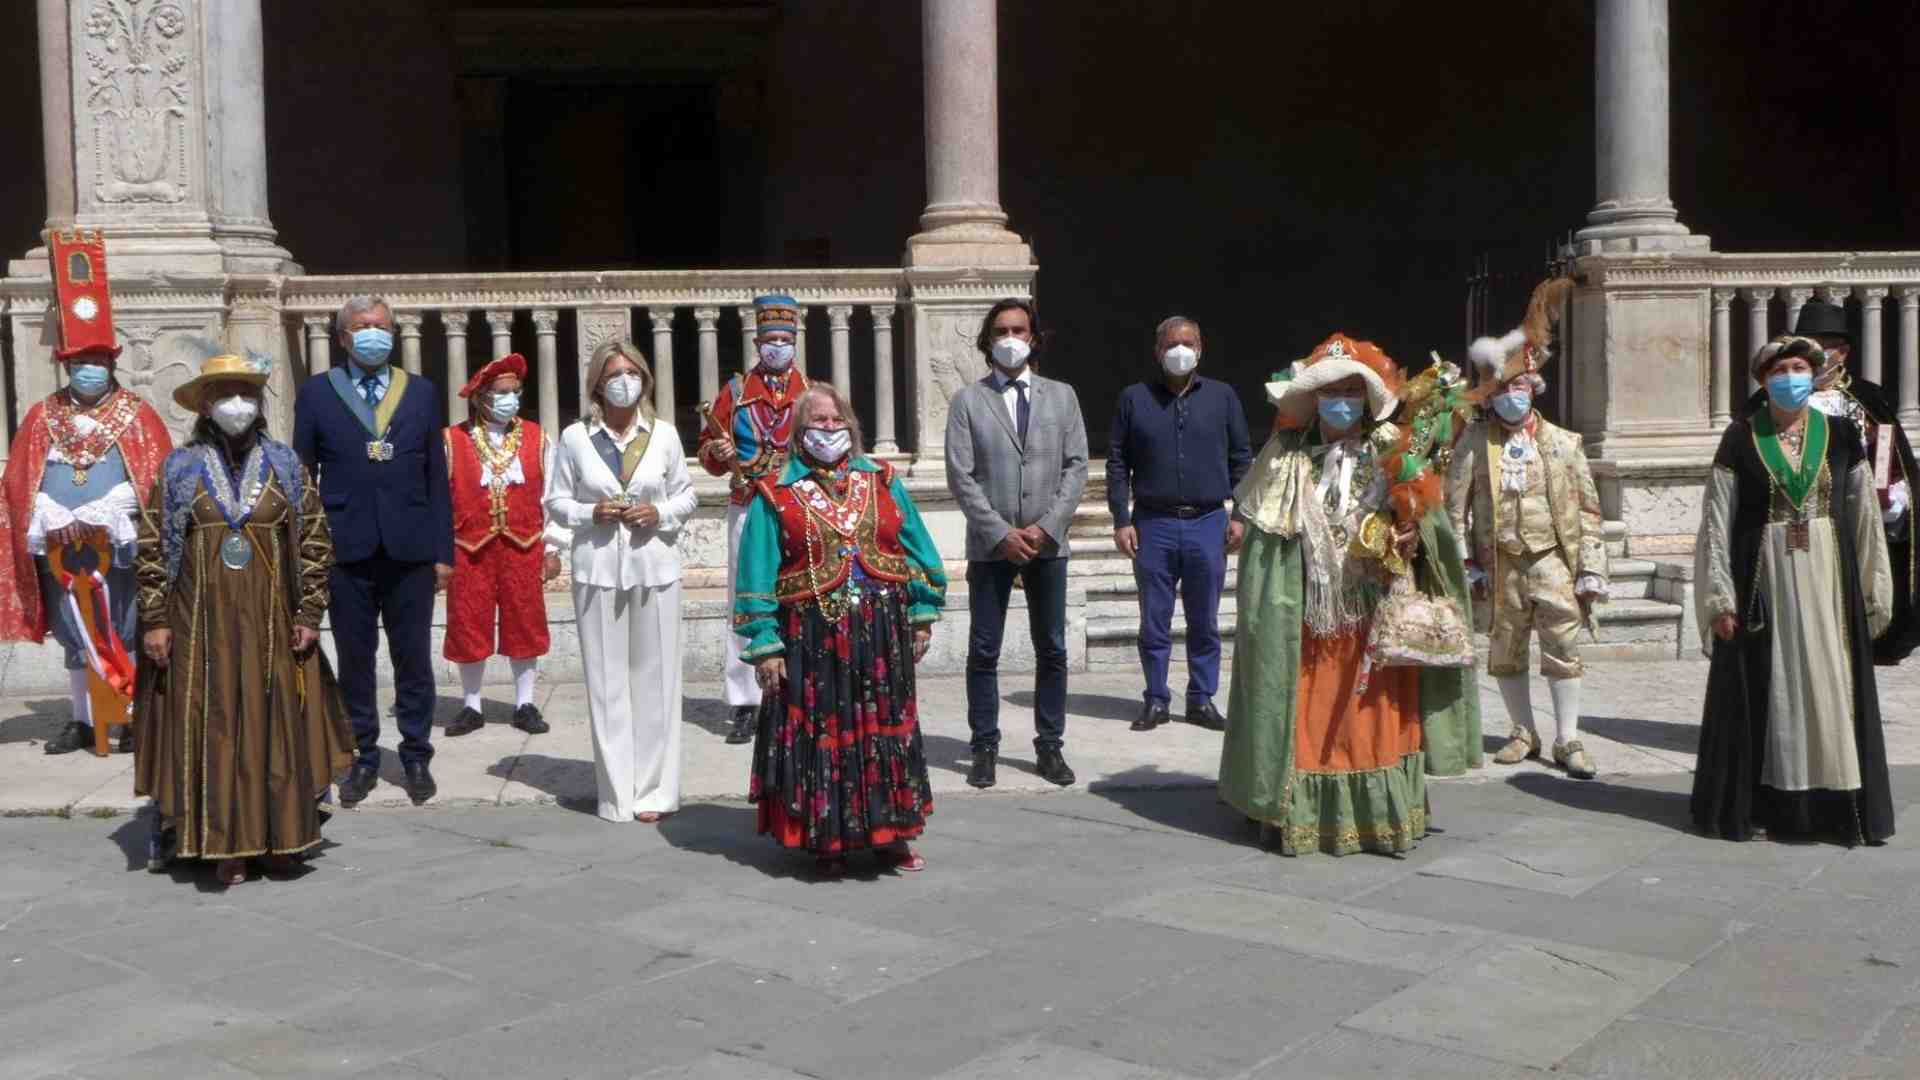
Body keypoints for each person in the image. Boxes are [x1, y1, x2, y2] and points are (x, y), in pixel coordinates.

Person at [1218, 334, 1480, 855]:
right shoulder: (1284, 454)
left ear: (1366, 396)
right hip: (1306, 617)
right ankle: (1296, 810)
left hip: (1372, 616)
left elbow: (1433, 526)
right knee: (1307, 716)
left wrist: (1410, 534)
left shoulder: (1395, 449)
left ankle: (1376, 815)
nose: (1341, 401)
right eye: (1330, 391)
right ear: (1312, 398)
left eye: (1350, 390)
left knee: (1372, 719)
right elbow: (1261, 540)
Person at [134, 345, 353, 886]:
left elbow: (316, 542)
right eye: (225, 394)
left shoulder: (286, 465)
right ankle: (221, 845)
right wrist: (156, 618)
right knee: (215, 727)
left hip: (274, 624)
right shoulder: (180, 468)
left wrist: (310, 610)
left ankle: (280, 839)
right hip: (198, 625)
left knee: (274, 724)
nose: (237, 403)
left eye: (246, 393)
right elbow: (152, 545)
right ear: (204, 405)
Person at [736, 383, 945, 875]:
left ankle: (891, 835)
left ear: (851, 424)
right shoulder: (776, 492)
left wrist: (921, 611)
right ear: (799, 430)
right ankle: (826, 838)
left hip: (881, 635)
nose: (828, 429)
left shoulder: (882, 479)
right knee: (823, 731)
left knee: (884, 730)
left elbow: (914, 544)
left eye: (836, 420)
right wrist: (765, 643)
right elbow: (757, 569)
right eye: (817, 421)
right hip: (812, 637)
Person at [1693, 335, 1895, 845]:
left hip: (1828, 575)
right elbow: (1717, 522)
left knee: (1830, 682)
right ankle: (1769, 807)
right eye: (1781, 368)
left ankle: (1834, 808)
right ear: (1764, 380)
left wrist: (1873, 587)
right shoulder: (1740, 439)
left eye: (1800, 366)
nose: (1791, 376)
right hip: (1765, 576)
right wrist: (1720, 597)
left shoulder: (1842, 433)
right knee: (1770, 685)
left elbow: (1863, 513)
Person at [293, 295, 453, 807]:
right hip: (346, 548)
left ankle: (415, 754)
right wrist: (307, 550)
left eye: (382, 326)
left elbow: (436, 477)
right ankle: (362, 755)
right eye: (362, 327)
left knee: (414, 660)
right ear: (343, 338)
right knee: (356, 660)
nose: (373, 334)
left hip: (409, 548)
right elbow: (302, 476)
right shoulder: (318, 393)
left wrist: (443, 551)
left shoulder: (422, 392)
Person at [1449, 278, 1609, 780]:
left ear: (1533, 389)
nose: (1513, 397)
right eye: (1504, 390)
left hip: (1551, 560)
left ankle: (1567, 736)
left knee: (1563, 646)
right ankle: (1523, 730)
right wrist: (1464, 560)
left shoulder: (1564, 443)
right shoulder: (1474, 442)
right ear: (1492, 396)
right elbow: (1454, 509)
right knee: (1505, 648)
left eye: (1520, 387)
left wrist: (1591, 569)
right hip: (1499, 562)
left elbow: (1588, 510)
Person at [0, 330, 170, 755]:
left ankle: (132, 716)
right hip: (60, 544)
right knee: (73, 629)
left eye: (97, 361)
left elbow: (158, 475)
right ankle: (81, 719)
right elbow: (20, 476)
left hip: (117, 541)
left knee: (124, 626)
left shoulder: (137, 414)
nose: (88, 370)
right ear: (66, 367)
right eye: (79, 363)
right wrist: (51, 513)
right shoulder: (43, 415)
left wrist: (110, 507)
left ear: (112, 365)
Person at [548, 341, 696, 823]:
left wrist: (661, 512)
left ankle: (655, 789)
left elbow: (686, 495)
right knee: (607, 682)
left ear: (645, 381)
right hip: (597, 567)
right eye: (614, 373)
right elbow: (555, 501)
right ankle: (616, 792)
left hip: (654, 565)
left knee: (655, 681)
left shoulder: (665, 435)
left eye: (632, 372)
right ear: (597, 383)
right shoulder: (574, 438)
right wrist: (591, 512)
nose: (624, 381)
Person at [945, 298, 1088, 790]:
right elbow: (961, 476)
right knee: (984, 648)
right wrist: (999, 532)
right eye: (1002, 330)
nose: (1011, 337)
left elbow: (1076, 467)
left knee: (1052, 648)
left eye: (1019, 329)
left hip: (1048, 544)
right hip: (992, 546)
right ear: (989, 340)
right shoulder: (968, 401)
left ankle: (1050, 746)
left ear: (1033, 337)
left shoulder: (1062, 396)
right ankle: (984, 744)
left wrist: (1048, 526)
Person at [1740, 300, 1916, 666]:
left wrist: (1888, 495)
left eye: (1827, 344)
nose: (1819, 352)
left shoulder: (1867, 398)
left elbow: (1886, 453)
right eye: (1811, 342)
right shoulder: (1767, 400)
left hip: (1851, 517)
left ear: (1844, 351)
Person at [1106, 316, 1252, 732]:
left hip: (1208, 520)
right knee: (1154, 618)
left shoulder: (1223, 397)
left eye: (1188, 342)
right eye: (1171, 344)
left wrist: (1240, 514)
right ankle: (1155, 698)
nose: (1180, 350)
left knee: (1204, 618)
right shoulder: (1134, 398)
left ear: (1201, 348)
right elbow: (1117, 462)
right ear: (1157, 351)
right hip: (1153, 523)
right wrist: (1121, 518)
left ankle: (1201, 698)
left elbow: (1242, 459)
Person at [699, 295, 812, 746]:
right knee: (746, 599)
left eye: (785, 340)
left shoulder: (812, 391)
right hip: (748, 505)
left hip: (797, 508)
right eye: (770, 340)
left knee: (799, 595)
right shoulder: (736, 392)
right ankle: (744, 702)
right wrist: (720, 455)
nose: (777, 347)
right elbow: (707, 448)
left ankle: (794, 690)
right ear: (757, 342)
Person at [441, 353, 564, 738]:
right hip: (468, 547)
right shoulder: (451, 439)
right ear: (480, 397)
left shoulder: (537, 436)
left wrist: (554, 547)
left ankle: (525, 703)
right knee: (467, 623)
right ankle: (471, 705)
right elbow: (437, 500)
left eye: (515, 391)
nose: (510, 398)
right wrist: (438, 554)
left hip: (524, 545)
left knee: (525, 624)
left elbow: (553, 495)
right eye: (501, 392)